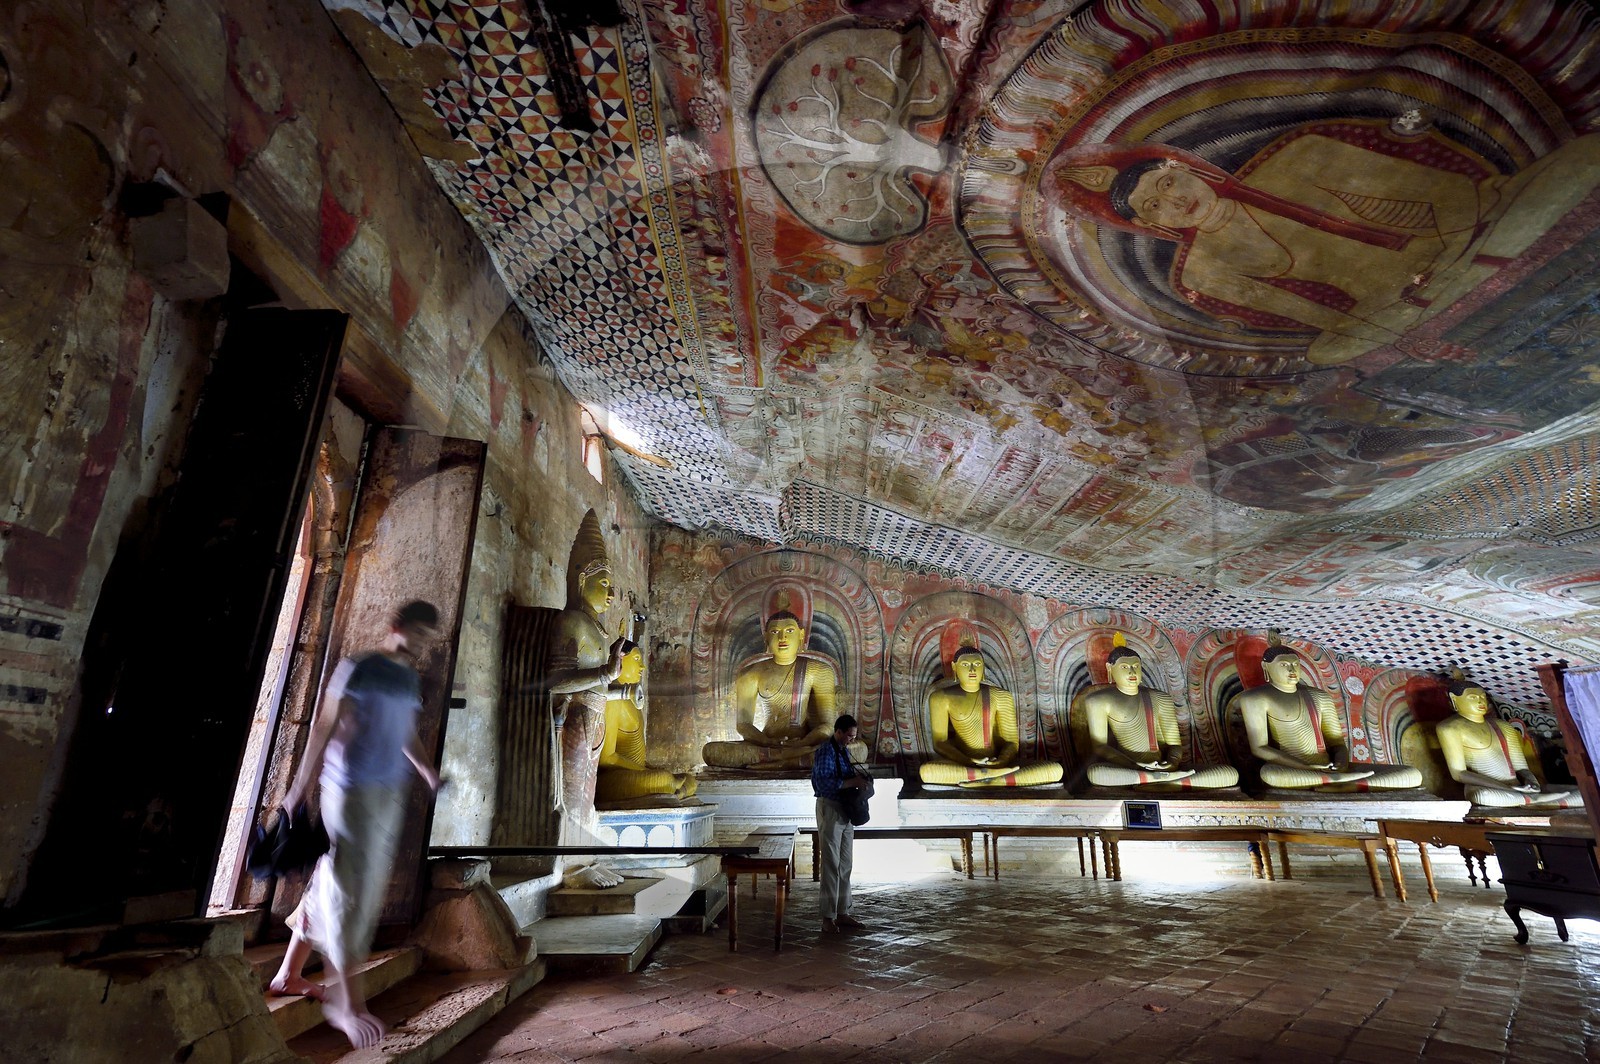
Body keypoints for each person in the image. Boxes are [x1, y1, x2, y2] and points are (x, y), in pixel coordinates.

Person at [1049, 130, 1600, 365]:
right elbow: (1326, 321)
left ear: (1191, 170)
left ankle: (1489, 264)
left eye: (1170, 182)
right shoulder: (1202, 274)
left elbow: (1450, 197)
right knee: (1326, 353)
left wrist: (1454, 255)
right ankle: (1486, 273)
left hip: (1464, 240)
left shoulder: (1300, 154)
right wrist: (1398, 330)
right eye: (1154, 207)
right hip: (1400, 300)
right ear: (1151, 226)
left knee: (1582, 157)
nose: (1175, 201)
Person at [268, 600, 444, 1049]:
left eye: (427, 639)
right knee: (353, 896)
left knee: (334, 878)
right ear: (396, 626)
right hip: (347, 791)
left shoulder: (407, 678)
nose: (421, 645)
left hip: (386, 794)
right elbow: (324, 725)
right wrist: (298, 788)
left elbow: (404, 732)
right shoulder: (359, 667)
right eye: (417, 634)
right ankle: (346, 1005)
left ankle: (288, 974)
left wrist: (427, 773)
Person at [546, 509, 630, 888]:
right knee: (572, 794)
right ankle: (571, 868)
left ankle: (586, 859)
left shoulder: (596, 629)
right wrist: (603, 675)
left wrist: (614, 680)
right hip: (574, 716)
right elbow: (554, 683)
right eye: (604, 583)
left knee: (588, 795)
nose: (611, 594)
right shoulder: (571, 622)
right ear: (582, 581)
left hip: (594, 718)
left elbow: (600, 682)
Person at [1236, 646, 1420, 790]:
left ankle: (1341, 783)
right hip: (1294, 770)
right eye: (1284, 665)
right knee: (1270, 775)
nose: (1292, 669)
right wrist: (1305, 767)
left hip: (1328, 766)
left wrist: (1341, 763)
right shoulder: (1255, 698)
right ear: (1266, 667)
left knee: (1411, 774)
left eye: (1296, 664)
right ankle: (1346, 784)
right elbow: (1259, 748)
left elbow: (1336, 742)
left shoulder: (1320, 696)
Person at [703, 610, 867, 769]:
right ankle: (794, 759)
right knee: (711, 751)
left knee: (858, 750)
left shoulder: (819, 670)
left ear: (801, 635)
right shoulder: (750, 673)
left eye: (789, 630)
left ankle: (778, 761)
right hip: (768, 744)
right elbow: (744, 725)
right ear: (766, 637)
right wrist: (768, 742)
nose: (782, 637)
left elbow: (827, 726)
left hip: (806, 743)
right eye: (775, 632)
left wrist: (802, 743)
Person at [1081, 647, 1238, 789]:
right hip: (1130, 768)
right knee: (1096, 773)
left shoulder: (1160, 697)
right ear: (1110, 668)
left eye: (1136, 666)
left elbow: (1174, 744)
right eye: (1124, 667)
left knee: (1230, 774)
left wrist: (1172, 763)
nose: (1132, 672)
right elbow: (1100, 747)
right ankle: (1164, 781)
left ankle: (1162, 781)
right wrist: (1135, 765)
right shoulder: (1098, 700)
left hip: (1165, 768)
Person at [919, 648, 1063, 788]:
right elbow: (940, 743)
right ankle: (989, 776)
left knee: (1055, 770)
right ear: (954, 667)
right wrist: (968, 761)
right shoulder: (940, 698)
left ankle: (992, 779)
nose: (972, 670)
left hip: (998, 762)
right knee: (927, 772)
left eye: (977, 664)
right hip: (963, 763)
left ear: (983, 667)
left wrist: (1002, 760)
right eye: (965, 665)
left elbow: (1011, 742)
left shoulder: (1001, 696)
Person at [1437, 679, 1583, 809]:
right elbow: (1459, 773)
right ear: (1454, 700)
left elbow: (1521, 767)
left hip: (1518, 788)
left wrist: (1532, 782)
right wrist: (1507, 788)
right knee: (1481, 796)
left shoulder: (1503, 726)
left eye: (1483, 697)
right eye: (1473, 698)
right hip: (1490, 789)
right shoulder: (1450, 728)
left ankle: (1535, 801)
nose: (1481, 702)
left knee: (1584, 794)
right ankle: (1539, 801)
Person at [595, 641, 697, 803]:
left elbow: (636, 756)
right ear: (619, 659)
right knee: (663, 779)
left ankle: (674, 791)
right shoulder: (613, 698)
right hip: (613, 777)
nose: (642, 666)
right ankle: (672, 790)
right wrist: (644, 771)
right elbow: (606, 758)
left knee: (690, 780)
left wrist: (648, 768)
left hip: (635, 773)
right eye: (637, 659)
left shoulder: (631, 700)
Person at [811, 714, 869, 933]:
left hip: (845, 809)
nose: (851, 740)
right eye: (849, 736)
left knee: (845, 864)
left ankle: (843, 912)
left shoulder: (843, 750)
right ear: (838, 732)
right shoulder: (826, 751)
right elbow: (822, 784)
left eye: (853, 736)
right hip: (831, 807)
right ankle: (828, 917)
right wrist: (852, 782)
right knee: (831, 864)